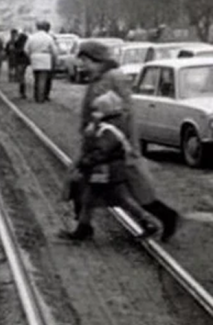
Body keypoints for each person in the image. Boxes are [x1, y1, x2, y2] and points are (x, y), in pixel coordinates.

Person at [74, 40, 184, 241]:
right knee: (89, 185)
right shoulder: (97, 78)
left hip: (114, 143)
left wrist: (132, 145)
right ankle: (83, 226)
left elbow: (128, 111)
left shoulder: (114, 77)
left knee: (134, 190)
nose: (83, 65)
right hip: (99, 140)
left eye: (85, 61)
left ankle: (165, 217)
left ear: (97, 60)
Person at [63, 91, 161, 241]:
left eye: (97, 110)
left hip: (109, 172)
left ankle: (150, 223)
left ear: (105, 111)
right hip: (106, 171)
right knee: (90, 198)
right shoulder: (108, 126)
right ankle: (83, 228)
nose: (94, 113)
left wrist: (85, 162)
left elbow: (101, 151)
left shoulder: (108, 130)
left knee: (123, 199)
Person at [24, 21, 58, 103]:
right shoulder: (48, 38)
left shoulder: (32, 37)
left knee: (36, 77)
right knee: (43, 78)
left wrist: (30, 56)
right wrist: (54, 59)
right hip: (45, 58)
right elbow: (54, 51)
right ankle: (40, 98)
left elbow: (25, 49)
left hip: (34, 57)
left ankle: (36, 95)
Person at [6, 29, 29, 96]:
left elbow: (11, 50)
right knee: (22, 75)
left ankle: (22, 91)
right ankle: (22, 90)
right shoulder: (26, 44)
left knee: (21, 76)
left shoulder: (16, 44)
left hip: (19, 61)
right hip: (24, 62)